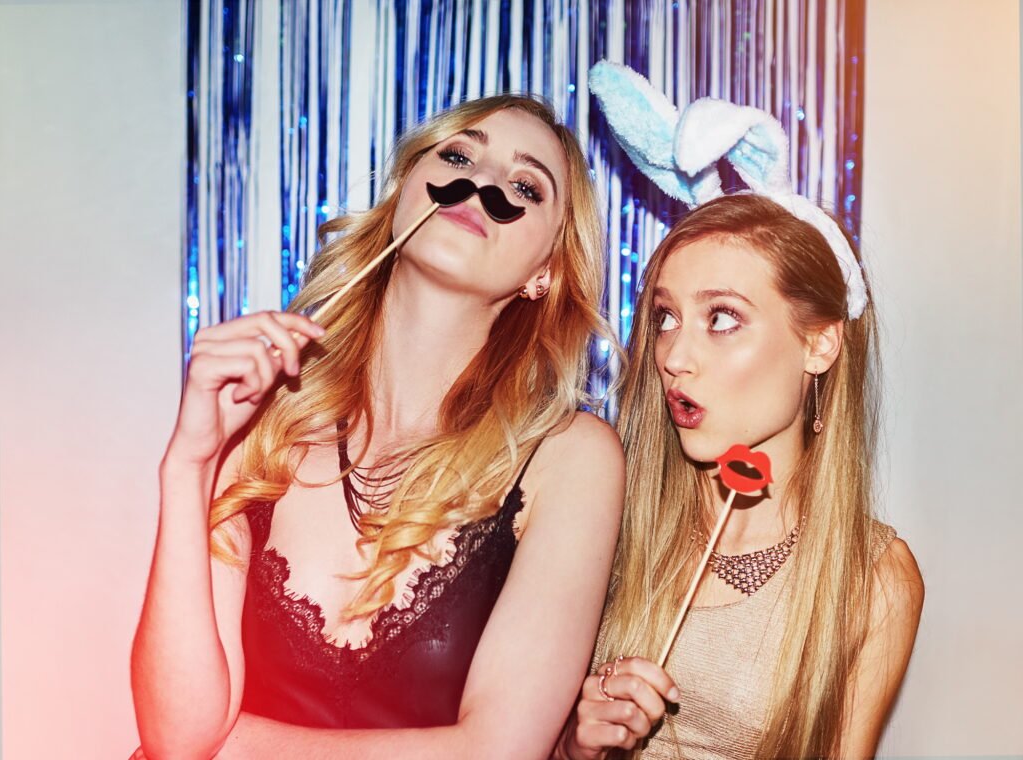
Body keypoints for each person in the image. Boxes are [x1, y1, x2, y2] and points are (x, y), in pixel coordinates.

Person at [131, 94, 624, 760]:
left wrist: (231, 745)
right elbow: (176, 733)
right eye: (457, 154)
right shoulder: (265, 414)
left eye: (524, 186)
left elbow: (498, 752)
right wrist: (188, 466)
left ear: (546, 272)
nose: (480, 184)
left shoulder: (571, 460)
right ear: (402, 195)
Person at [555, 192, 925, 759]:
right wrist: (576, 750)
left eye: (722, 318)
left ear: (820, 343)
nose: (675, 355)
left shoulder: (870, 578)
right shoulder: (604, 513)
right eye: (666, 318)